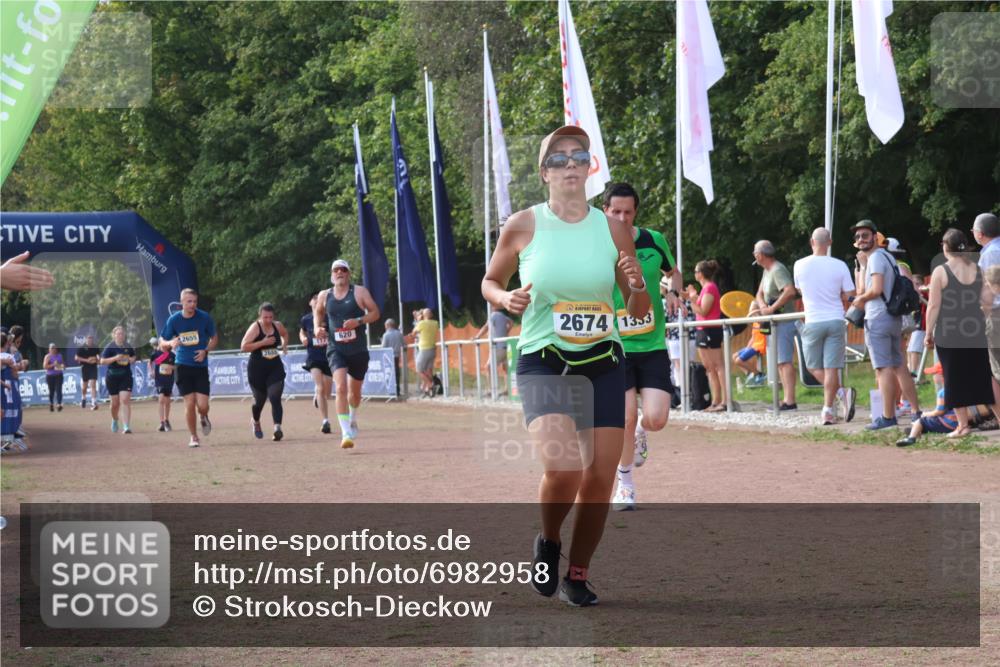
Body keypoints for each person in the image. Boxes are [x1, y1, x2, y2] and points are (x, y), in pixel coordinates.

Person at [481, 125, 648, 607]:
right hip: (544, 359)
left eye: (579, 156)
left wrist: (637, 286)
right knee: (563, 467)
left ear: (590, 168)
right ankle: (549, 539)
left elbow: (638, 312)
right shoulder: (523, 225)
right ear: (544, 173)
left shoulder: (614, 229)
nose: (570, 164)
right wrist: (504, 298)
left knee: (599, 478)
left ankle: (578, 574)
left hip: (603, 360)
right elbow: (490, 281)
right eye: (559, 158)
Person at [601, 182, 680, 512]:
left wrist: (673, 292)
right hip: (613, 345)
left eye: (628, 212)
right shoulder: (595, 245)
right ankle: (625, 485)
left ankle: (639, 434)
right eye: (616, 211)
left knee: (656, 419)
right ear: (605, 210)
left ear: (635, 212)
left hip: (652, 344)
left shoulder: (653, 240)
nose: (622, 217)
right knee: (625, 416)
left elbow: (674, 272)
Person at [923, 228, 997, 436]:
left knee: (953, 378)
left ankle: (963, 426)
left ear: (946, 247)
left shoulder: (940, 271)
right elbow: (987, 300)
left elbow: (933, 306)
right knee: (984, 378)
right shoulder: (978, 269)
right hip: (975, 330)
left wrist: (928, 333)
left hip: (949, 332)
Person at [851, 220, 921, 430]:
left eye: (865, 235)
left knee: (883, 368)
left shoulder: (875, 258)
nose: (861, 240)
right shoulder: (889, 257)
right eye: (857, 237)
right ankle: (916, 412)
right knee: (900, 366)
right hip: (892, 317)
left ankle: (888, 416)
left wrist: (860, 300)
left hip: (877, 317)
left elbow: (875, 289)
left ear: (875, 237)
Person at [793, 228, 857, 425]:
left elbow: (799, 289)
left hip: (813, 320)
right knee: (831, 368)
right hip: (836, 319)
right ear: (830, 242)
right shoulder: (840, 265)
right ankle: (828, 410)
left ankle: (841, 395)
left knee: (813, 366)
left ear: (812, 242)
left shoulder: (799, 265)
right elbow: (850, 294)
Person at [313, 259, 380, 449]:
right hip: (336, 349)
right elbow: (318, 312)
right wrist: (317, 328)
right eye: (336, 270)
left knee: (355, 394)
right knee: (341, 387)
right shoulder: (324, 295)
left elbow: (375, 313)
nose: (339, 273)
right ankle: (345, 433)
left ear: (348, 273)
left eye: (343, 270)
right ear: (331, 274)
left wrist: (358, 321)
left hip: (358, 350)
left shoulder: (359, 292)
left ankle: (352, 417)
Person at [160, 288, 218, 448]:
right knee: (190, 403)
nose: (192, 304)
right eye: (189, 301)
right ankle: (194, 437)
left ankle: (203, 416)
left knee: (203, 406)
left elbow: (214, 338)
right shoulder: (174, 320)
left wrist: (205, 351)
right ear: (182, 303)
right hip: (182, 365)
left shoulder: (204, 317)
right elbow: (162, 342)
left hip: (200, 366)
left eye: (195, 301)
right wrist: (170, 343)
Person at [753, 240, 798, 410]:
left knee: (784, 361)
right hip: (774, 322)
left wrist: (772, 308)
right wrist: (763, 306)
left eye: (755, 253)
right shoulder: (767, 271)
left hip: (784, 321)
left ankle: (790, 400)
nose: (754, 256)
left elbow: (790, 291)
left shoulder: (777, 269)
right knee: (780, 362)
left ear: (760, 255)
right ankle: (786, 399)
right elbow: (759, 293)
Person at [896, 367, 991, 446]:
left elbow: (939, 412)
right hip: (962, 421)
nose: (933, 376)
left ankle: (912, 437)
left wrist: (926, 413)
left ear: (942, 377)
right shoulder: (961, 387)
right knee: (929, 422)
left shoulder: (943, 392)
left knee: (921, 421)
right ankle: (919, 430)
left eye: (935, 374)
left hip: (948, 423)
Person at [241, 302, 289, 441]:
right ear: (260, 316)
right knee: (259, 402)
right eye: (265, 317)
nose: (268, 320)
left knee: (275, 396)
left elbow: (285, 334)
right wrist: (263, 343)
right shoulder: (255, 328)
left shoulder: (277, 326)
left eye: (270, 317)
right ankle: (256, 421)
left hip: (274, 367)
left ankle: (277, 428)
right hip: (257, 369)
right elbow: (244, 347)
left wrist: (284, 345)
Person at [687, 260, 726, 411]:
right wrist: (691, 297)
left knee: (718, 366)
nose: (694, 274)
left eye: (696, 271)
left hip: (710, 330)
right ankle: (715, 401)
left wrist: (692, 300)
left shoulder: (710, 287)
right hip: (703, 329)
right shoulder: (705, 288)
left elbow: (703, 311)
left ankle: (724, 401)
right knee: (709, 368)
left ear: (701, 274)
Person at [972, 213, 1000, 410]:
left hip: (997, 314)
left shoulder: (990, 253)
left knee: (997, 367)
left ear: (980, 233)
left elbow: (989, 289)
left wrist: (984, 312)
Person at [300, 295, 334, 432]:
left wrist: (328, 336)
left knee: (328, 393)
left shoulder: (329, 318)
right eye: (314, 299)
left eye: (318, 299)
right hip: (313, 357)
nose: (316, 301)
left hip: (329, 357)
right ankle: (325, 421)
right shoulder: (306, 319)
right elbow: (302, 331)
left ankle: (317, 396)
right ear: (310, 303)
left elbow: (336, 333)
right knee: (320, 387)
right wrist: (303, 338)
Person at [101, 326, 136, 434]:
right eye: (118, 334)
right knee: (115, 404)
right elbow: (102, 361)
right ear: (114, 335)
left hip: (125, 376)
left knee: (125, 400)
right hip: (112, 377)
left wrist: (130, 359)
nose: (121, 335)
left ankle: (126, 426)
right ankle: (115, 419)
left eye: (122, 334)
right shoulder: (110, 347)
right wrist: (115, 358)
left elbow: (133, 357)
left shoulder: (128, 346)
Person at [473, 308, 514, 389]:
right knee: (506, 368)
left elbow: (486, 327)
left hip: (497, 347)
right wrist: (506, 331)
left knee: (489, 367)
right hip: (506, 346)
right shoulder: (503, 316)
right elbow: (511, 322)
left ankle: (492, 389)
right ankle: (507, 389)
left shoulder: (493, 315)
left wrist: (477, 336)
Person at [732, 303, 767, 387]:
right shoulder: (755, 323)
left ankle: (758, 374)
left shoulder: (763, 322)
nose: (753, 316)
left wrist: (759, 318)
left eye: (755, 314)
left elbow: (765, 333)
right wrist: (748, 347)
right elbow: (753, 337)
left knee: (739, 360)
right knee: (734, 356)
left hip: (760, 346)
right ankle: (749, 374)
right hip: (754, 345)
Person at [409, 308, 439, 397]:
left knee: (419, 370)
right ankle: (429, 390)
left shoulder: (421, 324)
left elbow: (413, 333)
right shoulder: (435, 323)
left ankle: (430, 384)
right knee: (429, 370)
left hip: (424, 349)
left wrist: (418, 320)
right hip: (432, 349)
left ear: (423, 315)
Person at [148, 336, 175, 432]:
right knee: (161, 399)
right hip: (159, 380)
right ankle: (161, 422)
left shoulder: (172, 355)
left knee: (167, 401)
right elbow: (150, 362)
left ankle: (167, 420)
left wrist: (171, 367)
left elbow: (176, 366)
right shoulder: (156, 353)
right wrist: (151, 371)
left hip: (169, 380)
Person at [380, 319, 405, 397]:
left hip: (388, 358)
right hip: (397, 356)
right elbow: (404, 344)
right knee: (397, 373)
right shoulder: (399, 334)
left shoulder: (386, 335)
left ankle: (390, 390)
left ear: (387, 325)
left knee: (389, 374)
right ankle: (397, 390)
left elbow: (383, 347)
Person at [75, 335, 100, 410]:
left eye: (91, 339)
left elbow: (98, 357)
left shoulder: (95, 347)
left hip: (93, 367)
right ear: (86, 340)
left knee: (93, 384)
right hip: (85, 368)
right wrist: (87, 360)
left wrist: (97, 359)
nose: (90, 341)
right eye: (88, 339)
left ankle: (93, 402)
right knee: (85, 386)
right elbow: (76, 357)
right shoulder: (82, 348)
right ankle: (83, 398)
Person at [42, 343, 65, 412]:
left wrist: (61, 366)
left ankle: (59, 404)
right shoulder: (47, 356)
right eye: (51, 348)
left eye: (54, 348)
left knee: (59, 390)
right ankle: (51, 403)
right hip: (50, 376)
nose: (53, 349)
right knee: (51, 391)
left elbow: (63, 365)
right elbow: (45, 366)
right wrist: (53, 365)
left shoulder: (60, 356)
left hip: (59, 375)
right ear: (49, 349)